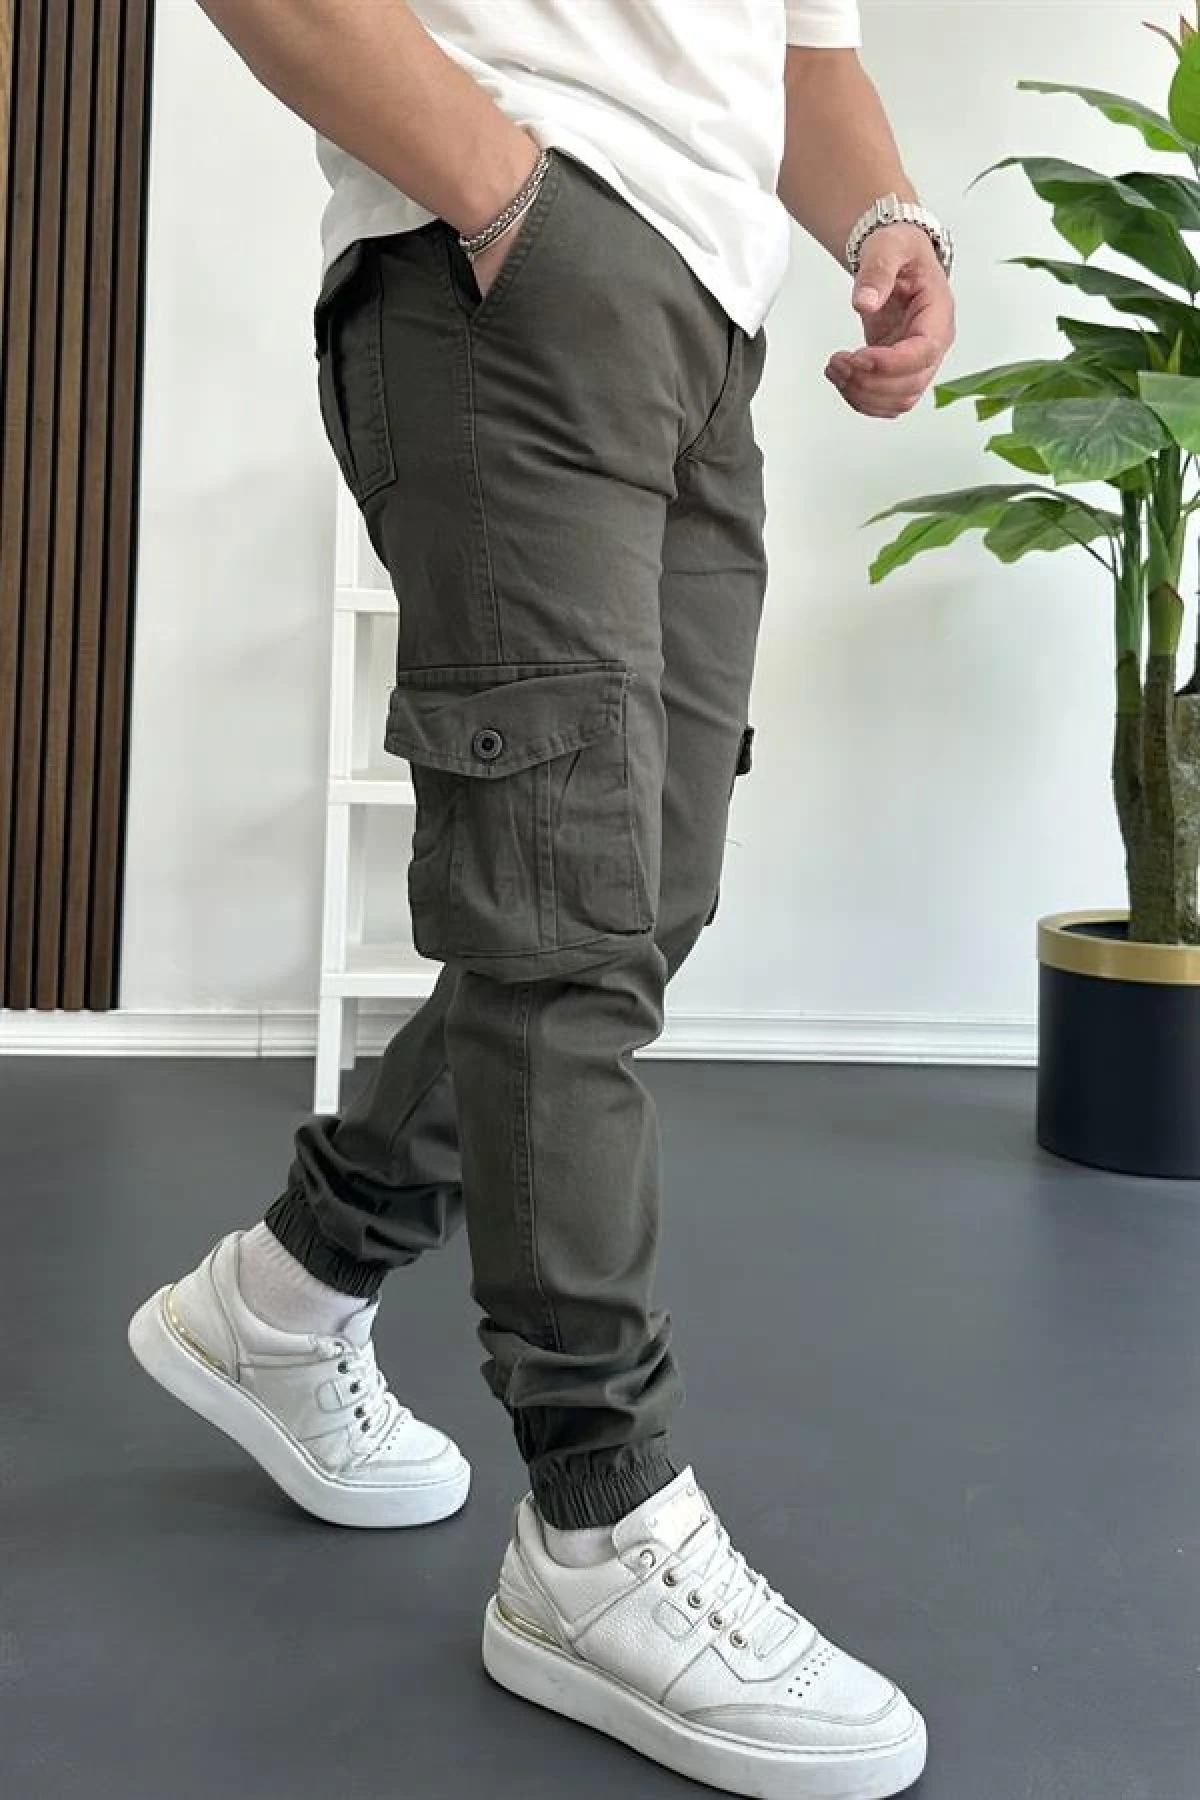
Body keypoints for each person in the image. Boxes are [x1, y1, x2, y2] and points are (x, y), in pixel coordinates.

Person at [129, 4, 956, 1796]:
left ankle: (285, 1292)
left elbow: (805, 56)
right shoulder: (511, 222)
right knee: (565, 910)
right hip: (507, 264)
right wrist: (508, 199)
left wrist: (889, 221)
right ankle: (597, 1528)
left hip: (702, 322)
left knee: (645, 895)